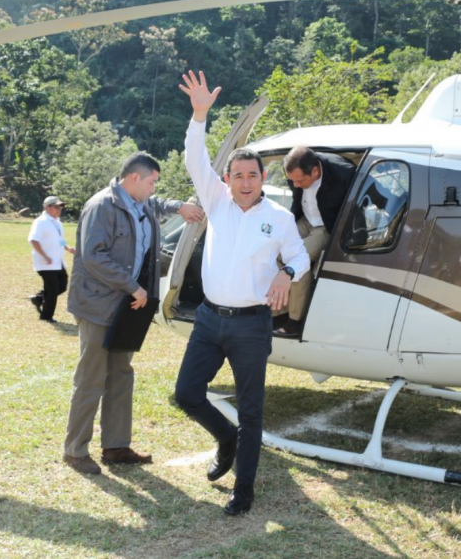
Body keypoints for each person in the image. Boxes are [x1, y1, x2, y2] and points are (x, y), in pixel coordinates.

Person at [174, 70, 310, 516]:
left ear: (262, 175)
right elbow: (195, 158)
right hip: (210, 320)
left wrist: (286, 273)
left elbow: (301, 257)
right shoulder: (215, 201)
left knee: (252, 411)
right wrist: (199, 116)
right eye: (237, 175)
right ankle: (224, 438)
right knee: (187, 393)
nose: (245, 181)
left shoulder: (279, 217)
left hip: (252, 325)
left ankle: (244, 489)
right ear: (227, 178)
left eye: (252, 174)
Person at [63, 153, 204, 475]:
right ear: (134, 179)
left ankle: (115, 446)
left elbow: (158, 204)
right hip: (100, 304)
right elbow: (93, 256)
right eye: (152, 182)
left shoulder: (140, 202)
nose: (155, 189)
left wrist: (179, 206)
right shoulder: (102, 206)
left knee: (121, 373)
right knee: (92, 377)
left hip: (129, 305)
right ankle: (74, 450)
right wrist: (132, 286)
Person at [275, 146, 356, 337]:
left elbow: (374, 196)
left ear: (315, 171)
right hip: (304, 219)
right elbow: (297, 197)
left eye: (300, 180)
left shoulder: (343, 173)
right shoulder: (294, 173)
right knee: (274, 253)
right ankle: (278, 312)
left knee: (297, 261)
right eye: (292, 180)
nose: (295, 185)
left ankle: (296, 320)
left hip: (326, 225)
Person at [27, 196, 74, 322]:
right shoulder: (41, 222)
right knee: (52, 290)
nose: (59, 209)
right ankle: (46, 316)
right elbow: (33, 240)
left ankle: (39, 298)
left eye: (60, 207)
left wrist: (67, 247)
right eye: (56, 207)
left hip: (57, 261)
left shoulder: (57, 222)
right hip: (46, 263)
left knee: (62, 285)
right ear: (47, 207)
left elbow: (59, 239)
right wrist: (44, 256)